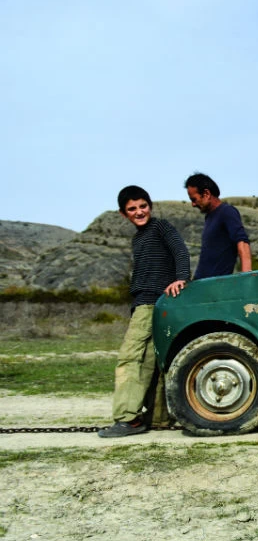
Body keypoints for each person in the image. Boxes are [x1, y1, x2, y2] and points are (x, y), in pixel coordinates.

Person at [98, 186, 190, 438]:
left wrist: (181, 278)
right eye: (132, 209)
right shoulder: (138, 238)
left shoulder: (161, 227)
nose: (139, 212)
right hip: (148, 303)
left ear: (150, 205)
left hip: (153, 302)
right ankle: (158, 417)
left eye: (143, 206)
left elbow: (180, 250)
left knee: (131, 358)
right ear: (122, 213)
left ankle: (127, 419)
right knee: (152, 361)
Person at [185, 172, 251, 279]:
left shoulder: (227, 212)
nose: (193, 204)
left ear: (206, 194)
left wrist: (246, 278)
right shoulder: (209, 217)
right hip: (202, 285)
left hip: (217, 286)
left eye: (194, 199)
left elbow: (242, 242)